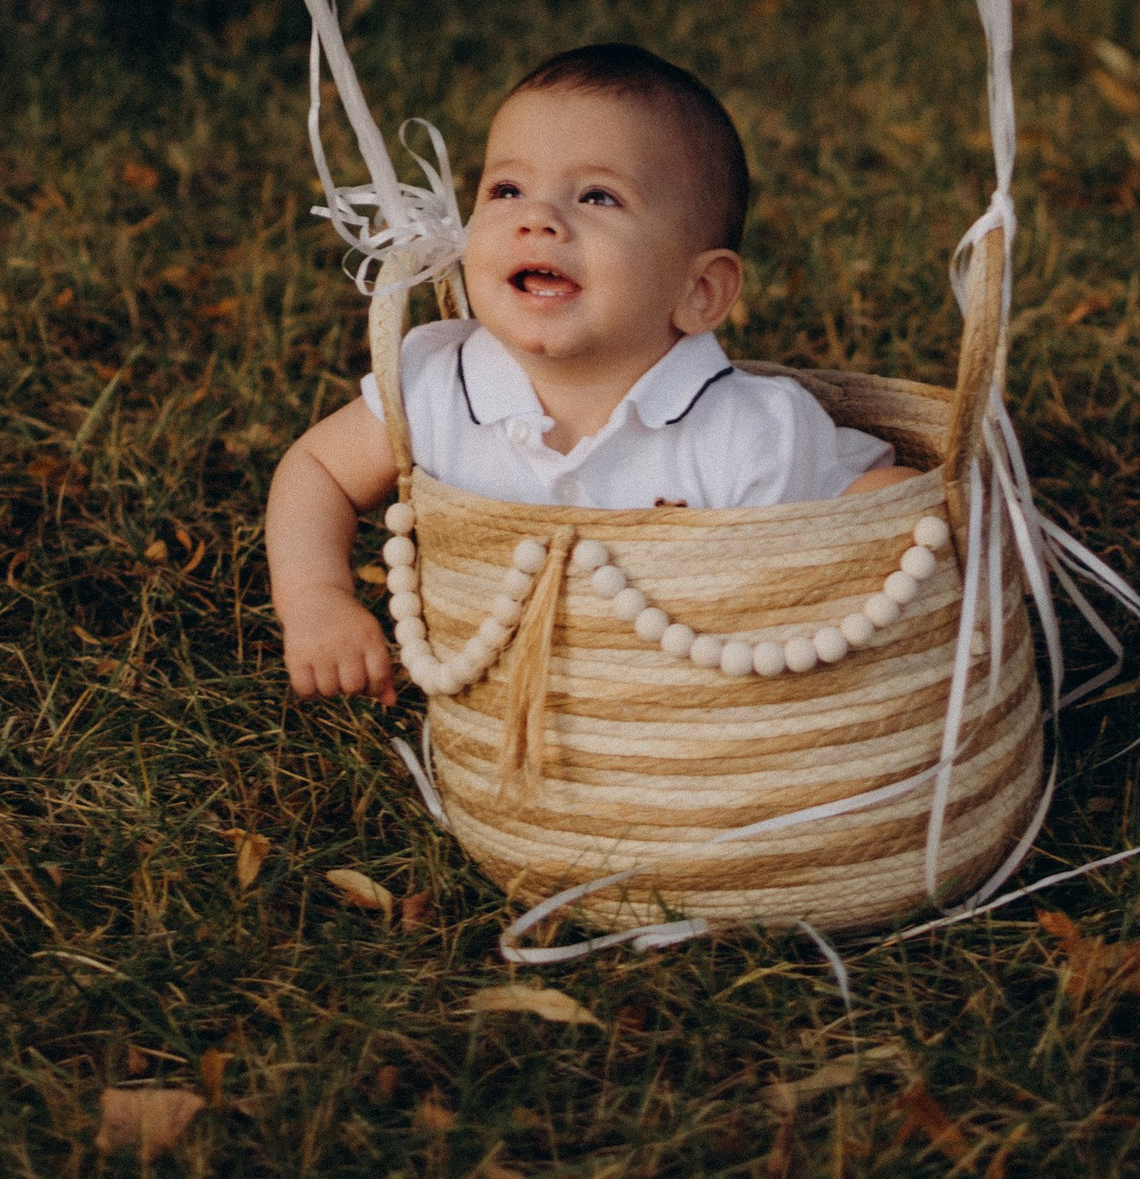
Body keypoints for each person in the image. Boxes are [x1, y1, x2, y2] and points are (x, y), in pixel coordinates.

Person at [268, 41, 905, 704]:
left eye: (599, 197)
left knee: (898, 508)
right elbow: (317, 471)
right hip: (518, 724)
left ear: (701, 293)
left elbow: (831, 563)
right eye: (506, 189)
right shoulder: (438, 382)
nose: (537, 218)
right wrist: (316, 598)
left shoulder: (749, 430)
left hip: (695, 715)